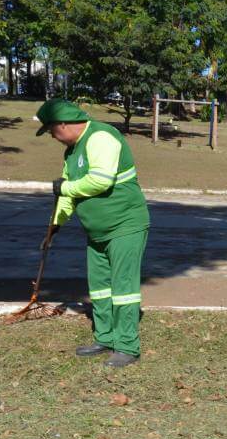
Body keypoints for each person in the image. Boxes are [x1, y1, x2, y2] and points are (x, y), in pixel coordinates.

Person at [34, 98, 150, 368]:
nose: (52, 136)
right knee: (99, 288)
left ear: (63, 124)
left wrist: (65, 189)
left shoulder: (101, 137)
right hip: (96, 232)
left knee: (123, 289)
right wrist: (55, 226)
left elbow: (100, 180)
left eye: (51, 130)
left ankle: (126, 346)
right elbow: (66, 193)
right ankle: (105, 337)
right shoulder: (71, 152)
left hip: (125, 226)